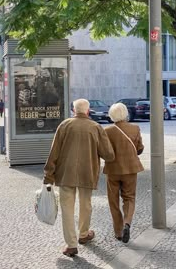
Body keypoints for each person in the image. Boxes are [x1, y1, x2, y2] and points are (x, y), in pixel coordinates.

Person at [43, 98, 115, 257]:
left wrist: (48, 174)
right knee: (86, 204)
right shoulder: (95, 127)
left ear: (74, 111)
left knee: (67, 209)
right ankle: (83, 234)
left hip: (65, 173)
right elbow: (109, 155)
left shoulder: (64, 125)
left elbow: (54, 152)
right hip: (87, 173)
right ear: (88, 111)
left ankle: (71, 245)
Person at [103, 103, 144, 243]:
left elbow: (104, 151)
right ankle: (127, 222)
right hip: (130, 169)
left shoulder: (107, 131)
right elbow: (139, 148)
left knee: (113, 201)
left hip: (113, 170)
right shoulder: (135, 128)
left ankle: (118, 232)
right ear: (126, 113)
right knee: (129, 197)